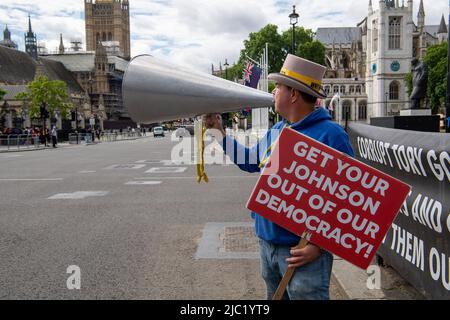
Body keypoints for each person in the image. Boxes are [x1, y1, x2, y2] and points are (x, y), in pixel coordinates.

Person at [205, 54, 354, 300]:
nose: (273, 92)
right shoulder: (277, 130)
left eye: (278, 87)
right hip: (268, 246)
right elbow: (251, 161)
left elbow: (350, 199)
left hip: (302, 253)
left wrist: (320, 246)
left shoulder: (332, 135)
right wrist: (219, 133)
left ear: (293, 94)